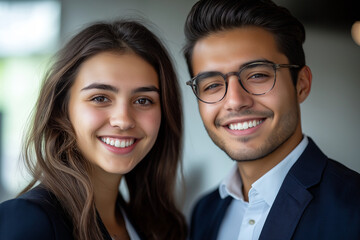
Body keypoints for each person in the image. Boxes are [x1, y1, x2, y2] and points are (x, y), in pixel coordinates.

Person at [183, 0, 360, 239]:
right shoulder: (205, 212)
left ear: (301, 84)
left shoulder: (353, 207)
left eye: (257, 75)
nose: (235, 101)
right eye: (212, 85)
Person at [0, 19, 187, 240]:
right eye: (100, 98)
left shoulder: (152, 226)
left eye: (143, 100)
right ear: (62, 109)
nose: (124, 120)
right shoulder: (29, 219)